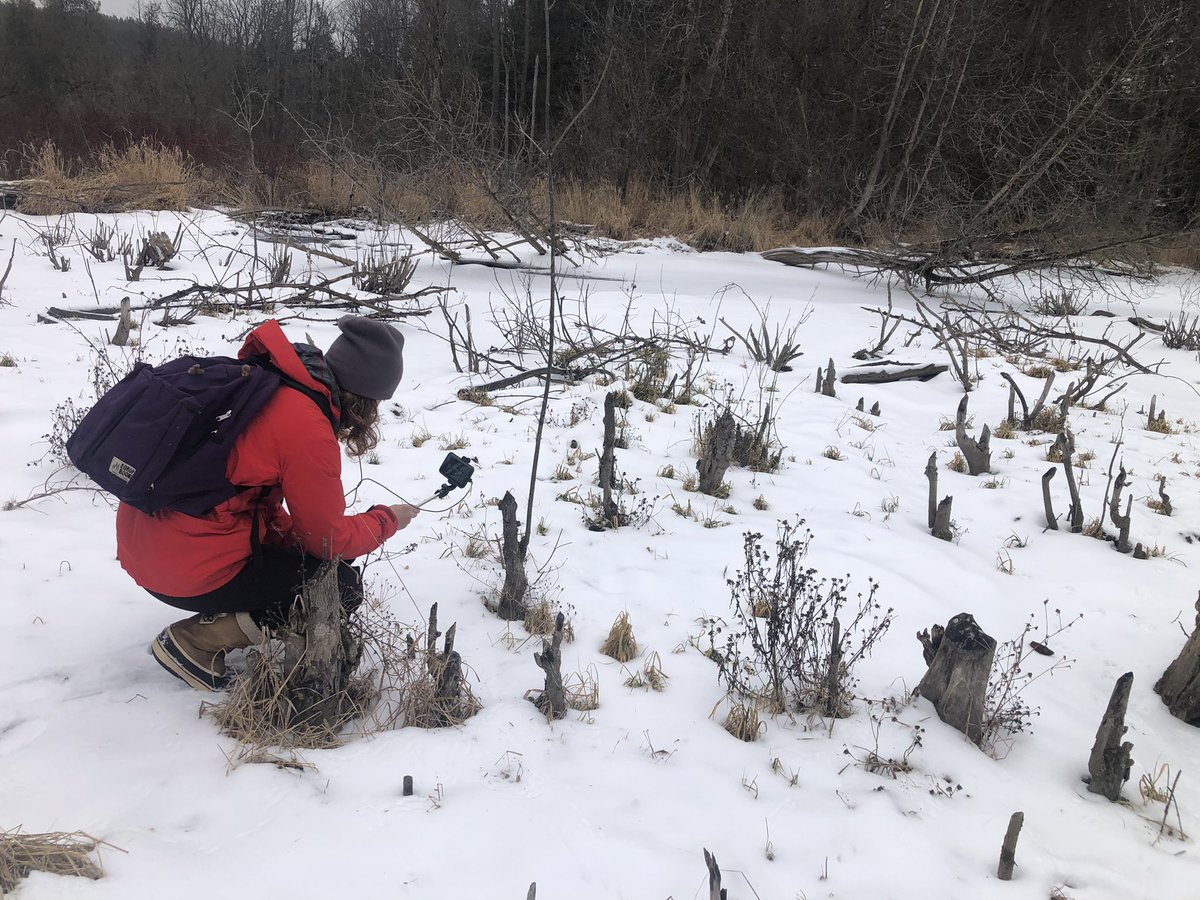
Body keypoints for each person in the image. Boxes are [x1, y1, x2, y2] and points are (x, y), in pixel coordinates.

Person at [116, 316, 419, 691]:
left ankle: (221, 618)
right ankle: (195, 642)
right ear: (366, 399)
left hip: (145, 546)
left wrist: (297, 542)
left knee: (315, 560)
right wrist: (386, 520)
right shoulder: (306, 425)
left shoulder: (272, 382)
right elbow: (327, 541)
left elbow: (250, 499)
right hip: (182, 565)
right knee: (342, 584)